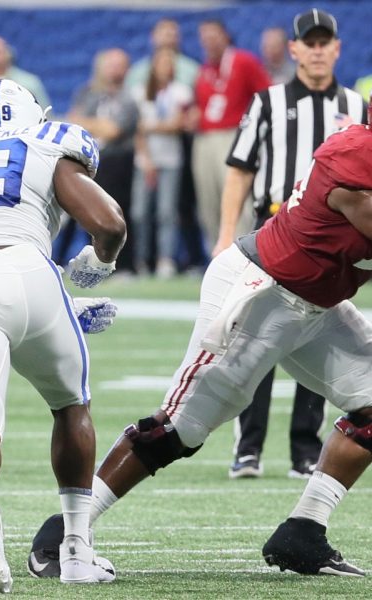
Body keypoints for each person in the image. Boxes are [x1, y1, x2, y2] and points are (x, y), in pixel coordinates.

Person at [28, 98, 372, 579]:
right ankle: (64, 533)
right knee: (179, 428)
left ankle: (304, 531)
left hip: (318, 302)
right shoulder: (356, 156)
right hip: (259, 294)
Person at [0, 79, 125, 591]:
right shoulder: (45, 145)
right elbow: (109, 222)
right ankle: (76, 549)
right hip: (30, 271)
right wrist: (94, 266)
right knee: (70, 405)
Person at [214, 8, 367, 480]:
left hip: (333, 239)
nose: (318, 50)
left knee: (318, 331)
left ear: (337, 49)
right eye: (310, 42)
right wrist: (225, 233)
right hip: (273, 228)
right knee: (255, 336)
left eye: (326, 42)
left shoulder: (358, 108)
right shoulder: (267, 102)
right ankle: (249, 447)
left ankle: (306, 447)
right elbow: (240, 168)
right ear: (295, 49)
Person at [191, 19, 270, 251]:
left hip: (233, 136)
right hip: (204, 139)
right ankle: (218, 253)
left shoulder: (244, 61)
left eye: (213, 35)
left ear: (226, 36)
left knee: (236, 198)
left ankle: (241, 253)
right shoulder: (204, 70)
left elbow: (265, 97)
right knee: (208, 200)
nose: (208, 40)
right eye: (204, 36)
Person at [61, 49, 139, 275]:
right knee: (85, 212)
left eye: (119, 64)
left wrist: (89, 123)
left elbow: (114, 130)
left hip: (118, 162)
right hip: (89, 161)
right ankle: (90, 263)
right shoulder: (87, 93)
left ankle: (123, 265)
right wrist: (98, 124)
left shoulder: (129, 96)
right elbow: (73, 121)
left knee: (119, 212)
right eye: (110, 64)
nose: (114, 69)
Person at [131, 48, 193, 278]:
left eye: (170, 63)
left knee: (167, 212)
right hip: (145, 160)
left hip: (171, 159)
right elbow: (137, 130)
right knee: (140, 212)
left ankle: (165, 259)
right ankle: (141, 260)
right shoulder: (139, 93)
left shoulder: (181, 92)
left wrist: (152, 126)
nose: (166, 67)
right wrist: (146, 159)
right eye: (161, 62)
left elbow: (179, 124)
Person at [125, 18, 200, 91]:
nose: (168, 38)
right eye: (164, 33)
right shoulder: (137, 71)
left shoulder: (192, 70)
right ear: (153, 36)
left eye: (171, 34)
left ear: (179, 38)